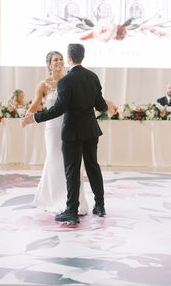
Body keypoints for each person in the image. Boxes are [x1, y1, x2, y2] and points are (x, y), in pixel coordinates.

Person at [22, 44, 118, 225]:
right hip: (91, 130)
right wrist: (107, 106)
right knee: (92, 167)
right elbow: (100, 106)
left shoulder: (66, 81)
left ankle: (72, 211)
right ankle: (100, 206)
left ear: (69, 57)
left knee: (72, 170)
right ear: (82, 56)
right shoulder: (93, 76)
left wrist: (35, 118)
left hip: (72, 132)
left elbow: (58, 109)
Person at [25, 50, 88, 215]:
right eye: (55, 60)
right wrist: (27, 117)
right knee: (54, 159)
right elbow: (35, 104)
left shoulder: (70, 81)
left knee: (72, 162)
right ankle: (53, 198)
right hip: (52, 127)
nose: (59, 62)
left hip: (70, 125)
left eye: (61, 59)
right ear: (49, 64)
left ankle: (72, 199)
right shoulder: (43, 84)